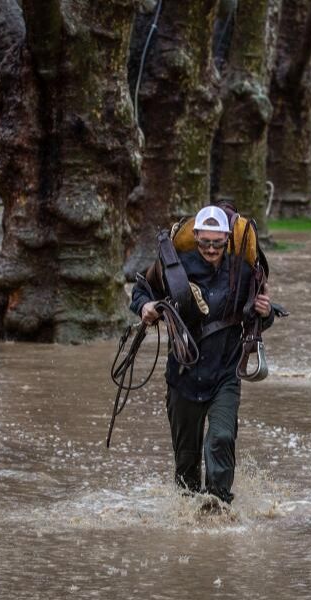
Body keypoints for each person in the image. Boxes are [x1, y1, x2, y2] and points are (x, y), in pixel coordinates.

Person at [128, 205, 275, 511]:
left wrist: (266, 311)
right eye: (204, 242)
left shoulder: (244, 271)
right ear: (195, 237)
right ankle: (187, 514)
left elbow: (261, 317)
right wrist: (145, 307)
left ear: (227, 240)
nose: (210, 249)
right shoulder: (173, 268)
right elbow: (141, 290)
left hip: (226, 373)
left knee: (221, 437)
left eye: (217, 243)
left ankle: (218, 507)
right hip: (183, 375)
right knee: (186, 464)